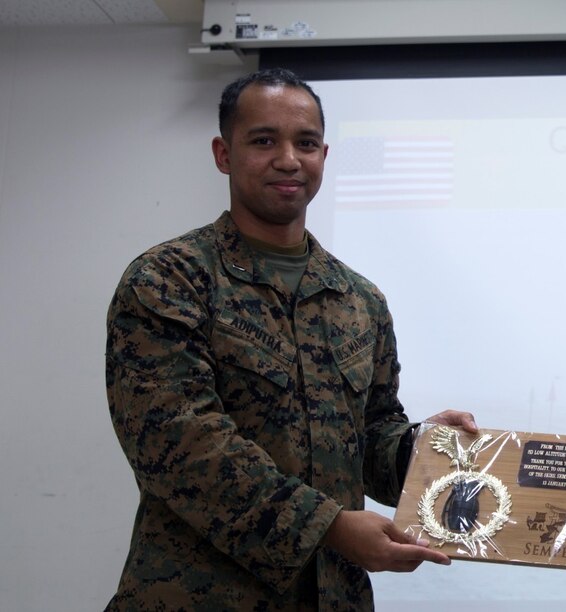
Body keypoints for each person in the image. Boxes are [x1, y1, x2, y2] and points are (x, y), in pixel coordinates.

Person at [104, 68, 476, 610]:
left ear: (323, 155)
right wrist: (330, 527)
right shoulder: (170, 279)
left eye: (305, 143)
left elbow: (369, 436)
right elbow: (180, 444)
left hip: (334, 596)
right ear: (223, 154)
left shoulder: (359, 298)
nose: (288, 160)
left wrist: (421, 452)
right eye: (263, 141)